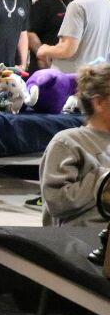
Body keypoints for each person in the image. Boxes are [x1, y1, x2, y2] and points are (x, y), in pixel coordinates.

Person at [41, 62, 110, 226]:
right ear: (99, 103)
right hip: (80, 241)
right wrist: (103, 179)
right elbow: (57, 202)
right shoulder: (67, 142)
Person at [37, 0, 110, 74]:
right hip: (92, 82)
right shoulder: (106, 3)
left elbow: (67, 49)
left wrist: (45, 49)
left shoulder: (78, 5)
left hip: (70, 81)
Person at [29, 0, 72, 72]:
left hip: (64, 67)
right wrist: (43, 57)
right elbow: (30, 33)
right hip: (44, 69)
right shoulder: (44, 3)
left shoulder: (72, 3)